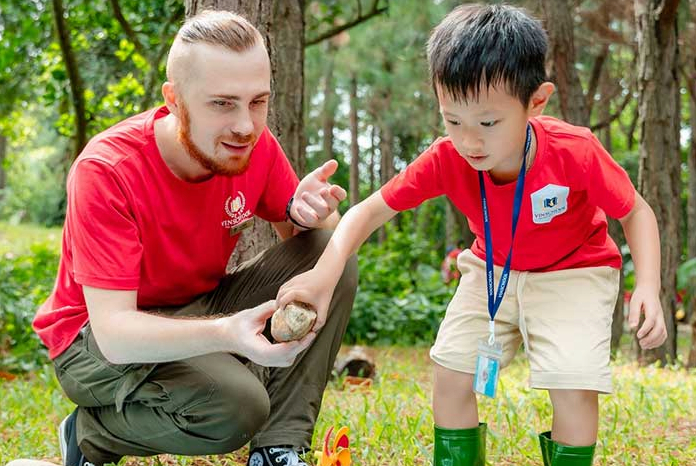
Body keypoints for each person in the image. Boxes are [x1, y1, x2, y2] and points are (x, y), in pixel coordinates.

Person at [275, 4, 667, 466]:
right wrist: (322, 276)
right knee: (450, 369)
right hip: (491, 271)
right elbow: (367, 212)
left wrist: (648, 285)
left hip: (575, 272)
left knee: (573, 383)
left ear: (536, 102)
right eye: (453, 120)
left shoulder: (574, 151)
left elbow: (635, 211)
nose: (470, 142)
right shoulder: (448, 158)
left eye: (488, 123)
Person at [32, 10, 357, 466]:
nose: (245, 125)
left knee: (329, 255)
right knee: (238, 407)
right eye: (222, 103)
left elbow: (310, 253)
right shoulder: (107, 171)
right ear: (175, 99)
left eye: (258, 101)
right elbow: (115, 335)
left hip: (197, 305)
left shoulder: (251, 144)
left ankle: (277, 448)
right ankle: (89, 435)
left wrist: (315, 215)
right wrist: (227, 333)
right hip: (94, 340)